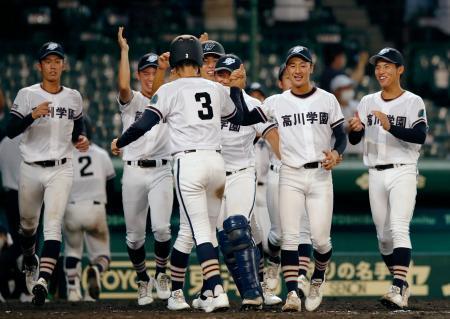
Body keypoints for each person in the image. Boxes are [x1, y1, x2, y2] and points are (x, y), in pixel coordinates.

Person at [111, 34, 264, 312]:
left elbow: (144, 123)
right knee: (201, 230)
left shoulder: (169, 90)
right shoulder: (215, 87)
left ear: (174, 64)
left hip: (188, 163)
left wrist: (120, 142)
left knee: (200, 232)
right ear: (196, 58)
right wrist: (240, 93)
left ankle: (216, 289)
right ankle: (199, 292)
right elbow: (238, 117)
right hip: (217, 164)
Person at [241, 45, 347, 312]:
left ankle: (318, 278)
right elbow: (244, 117)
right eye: (292, 66)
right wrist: (234, 88)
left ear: (311, 67)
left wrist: (336, 152)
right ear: (286, 70)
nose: (298, 70)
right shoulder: (276, 102)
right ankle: (292, 294)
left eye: (302, 65)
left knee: (321, 240)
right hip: (290, 174)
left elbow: (342, 135)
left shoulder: (327, 99)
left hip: (321, 174)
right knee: (289, 238)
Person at [6, 41, 89, 306]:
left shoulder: (73, 96)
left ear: (63, 65)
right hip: (31, 168)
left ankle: (43, 280)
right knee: (28, 227)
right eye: (48, 61)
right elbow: (10, 129)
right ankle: (31, 258)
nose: (53, 66)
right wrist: (31, 115)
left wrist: (82, 137)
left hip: (61, 168)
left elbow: (78, 123)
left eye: (57, 61)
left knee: (53, 227)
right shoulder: (27, 94)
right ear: (39, 65)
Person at [348, 48, 427, 310]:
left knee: (398, 227)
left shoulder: (413, 101)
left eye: (387, 66)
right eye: (378, 66)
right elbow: (355, 139)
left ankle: (398, 286)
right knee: (383, 238)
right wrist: (354, 130)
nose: (381, 71)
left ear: (400, 70)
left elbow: (420, 136)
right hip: (375, 172)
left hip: (403, 169)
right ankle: (401, 281)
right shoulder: (367, 101)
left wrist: (391, 125)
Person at [213, 54, 281, 309]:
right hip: (214, 176)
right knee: (225, 241)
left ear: (240, 74)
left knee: (239, 229)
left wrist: (290, 161)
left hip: (241, 173)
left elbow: (272, 135)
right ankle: (249, 291)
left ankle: (256, 290)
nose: (224, 78)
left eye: (229, 73)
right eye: (220, 73)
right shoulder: (208, 101)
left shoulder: (253, 104)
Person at [116, 27, 173, 305]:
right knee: (135, 237)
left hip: (162, 169)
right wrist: (125, 52)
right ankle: (142, 279)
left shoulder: (169, 100)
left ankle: (161, 272)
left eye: (155, 72)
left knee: (162, 229)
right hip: (133, 170)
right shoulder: (133, 102)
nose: (151, 77)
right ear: (140, 75)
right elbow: (124, 87)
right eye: (146, 73)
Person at [261, 63, 313, 299]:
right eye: (287, 75)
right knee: (279, 234)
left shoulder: (313, 102)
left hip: (305, 173)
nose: (294, 76)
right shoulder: (272, 103)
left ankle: (300, 277)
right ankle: (273, 258)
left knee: (303, 231)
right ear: (282, 82)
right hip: (277, 172)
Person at [63, 119, 115, 302]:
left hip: (71, 208)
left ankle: (72, 290)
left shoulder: (64, 156)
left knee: (72, 251)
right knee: (102, 256)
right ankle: (96, 271)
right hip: (95, 208)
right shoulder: (101, 155)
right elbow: (111, 186)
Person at [330, 74, 363, 155]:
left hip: (358, 153)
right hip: (337, 154)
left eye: (350, 87)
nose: (349, 90)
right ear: (336, 91)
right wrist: (347, 128)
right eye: (346, 88)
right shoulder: (329, 108)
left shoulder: (357, 105)